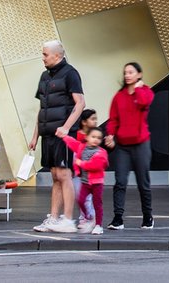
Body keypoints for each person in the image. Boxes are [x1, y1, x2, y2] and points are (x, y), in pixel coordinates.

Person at [28, 40, 85, 234]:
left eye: (45, 54)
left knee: (64, 175)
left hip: (64, 135)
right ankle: (53, 218)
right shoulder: (44, 76)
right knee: (55, 176)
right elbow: (42, 108)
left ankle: (67, 220)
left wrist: (67, 127)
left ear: (57, 55)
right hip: (48, 134)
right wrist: (35, 136)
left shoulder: (70, 73)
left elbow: (80, 103)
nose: (43, 58)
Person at [106, 61, 155, 230]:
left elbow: (143, 103)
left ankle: (148, 216)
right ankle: (118, 218)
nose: (127, 75)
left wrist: (139, 88)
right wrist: (111, 134)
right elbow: (113, 119)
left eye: (131, 72)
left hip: (141, 144)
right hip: (123, 146)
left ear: (139, 74)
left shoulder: (146, 91)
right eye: (125, 72)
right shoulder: (119, 96)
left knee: (143, 183)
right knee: (120, 182)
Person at [61, 126, 109, 234]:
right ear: (87, 137)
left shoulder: (101, 152)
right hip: (85, 182)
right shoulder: (82, 147)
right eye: (93, 137)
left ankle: (98, 225)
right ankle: (88, 216)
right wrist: (64, 136)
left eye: (99, 138)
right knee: (80, 200)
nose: (96, 140)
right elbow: (73, 143)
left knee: (97, 204)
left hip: (97, 183)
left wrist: (81, 163)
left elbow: (95, 165)